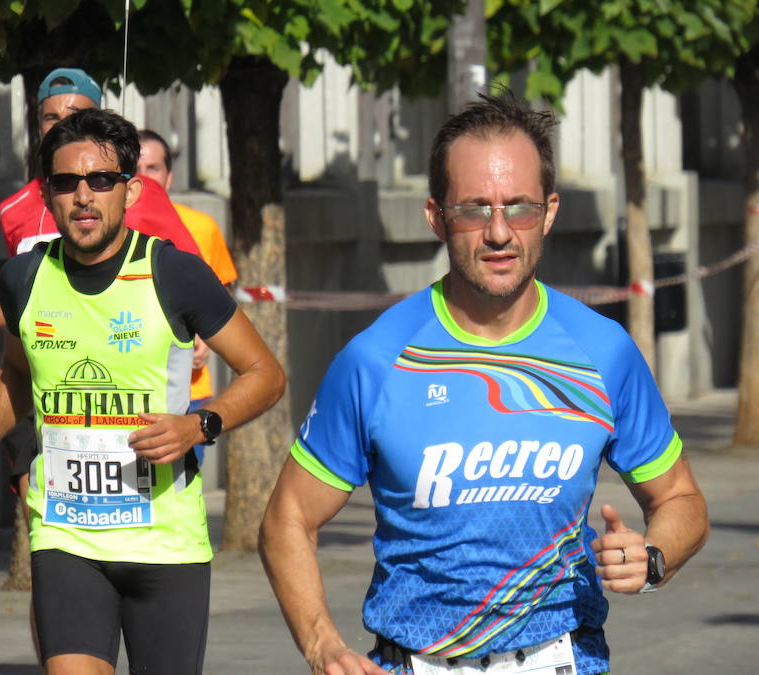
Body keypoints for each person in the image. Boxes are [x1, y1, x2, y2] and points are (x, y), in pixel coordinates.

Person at [259, 93, 708, 675]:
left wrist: (653, 557)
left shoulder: (603, 352)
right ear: (435, 215)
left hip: (562, 658)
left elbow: (681, 500)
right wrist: (322, 645)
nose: (499, 232)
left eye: (518, 207)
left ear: (548, 212)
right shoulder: (375, 359)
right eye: (474, 209)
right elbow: (287, 518)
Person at [0, 108, 286, 674]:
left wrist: (198, 426)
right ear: (48, 194)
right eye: (65, 183)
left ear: (130, 192)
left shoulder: (173, 273)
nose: (83, 196)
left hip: (164, 545)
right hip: (66, 535)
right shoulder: (23, 278)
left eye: (101, 181)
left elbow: (266, 375)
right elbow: (16, 373)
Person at [0, 67, 201, 520]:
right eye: (49, 118)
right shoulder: (14, 209)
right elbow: (31, 296)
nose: (60, 127)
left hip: (130, 390)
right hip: (50, 386)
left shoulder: (133, 196)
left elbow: (193, 283)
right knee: (47, 519)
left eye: (76, 116)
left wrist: (196, 337)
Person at [137, 128, 239, 463]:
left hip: (189, 391)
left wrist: (206, 341)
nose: (143, 176)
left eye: (152, 168)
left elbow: (220, 298)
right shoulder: (109, 229)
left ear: (168, 176)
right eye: (135, 167)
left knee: (179, 495)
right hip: (126, 390)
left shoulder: (202, 227)